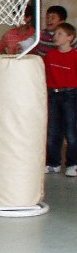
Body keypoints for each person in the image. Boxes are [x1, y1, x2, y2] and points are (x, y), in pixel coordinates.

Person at [44, 22, 77, 177]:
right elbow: (45, 75)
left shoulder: (75, 56)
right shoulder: (50, 56)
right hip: (53, 95)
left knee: (71, 131)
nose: (55, 37)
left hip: (71, 94)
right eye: (55, 34)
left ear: (70, 38)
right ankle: (53, 163)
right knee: (53, 131)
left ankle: (72, 164)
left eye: (60, 34)